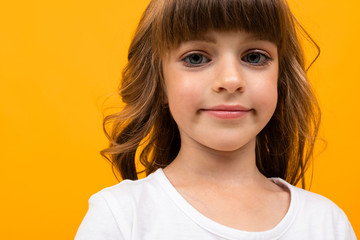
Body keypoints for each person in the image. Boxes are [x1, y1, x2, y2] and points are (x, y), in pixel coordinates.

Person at [75, 0, 357, 239]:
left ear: (280, 79)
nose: (231, 80)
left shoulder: (327, 224)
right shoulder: (120, 218)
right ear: (159, 82)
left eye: (255, 57)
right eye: (196, 58)